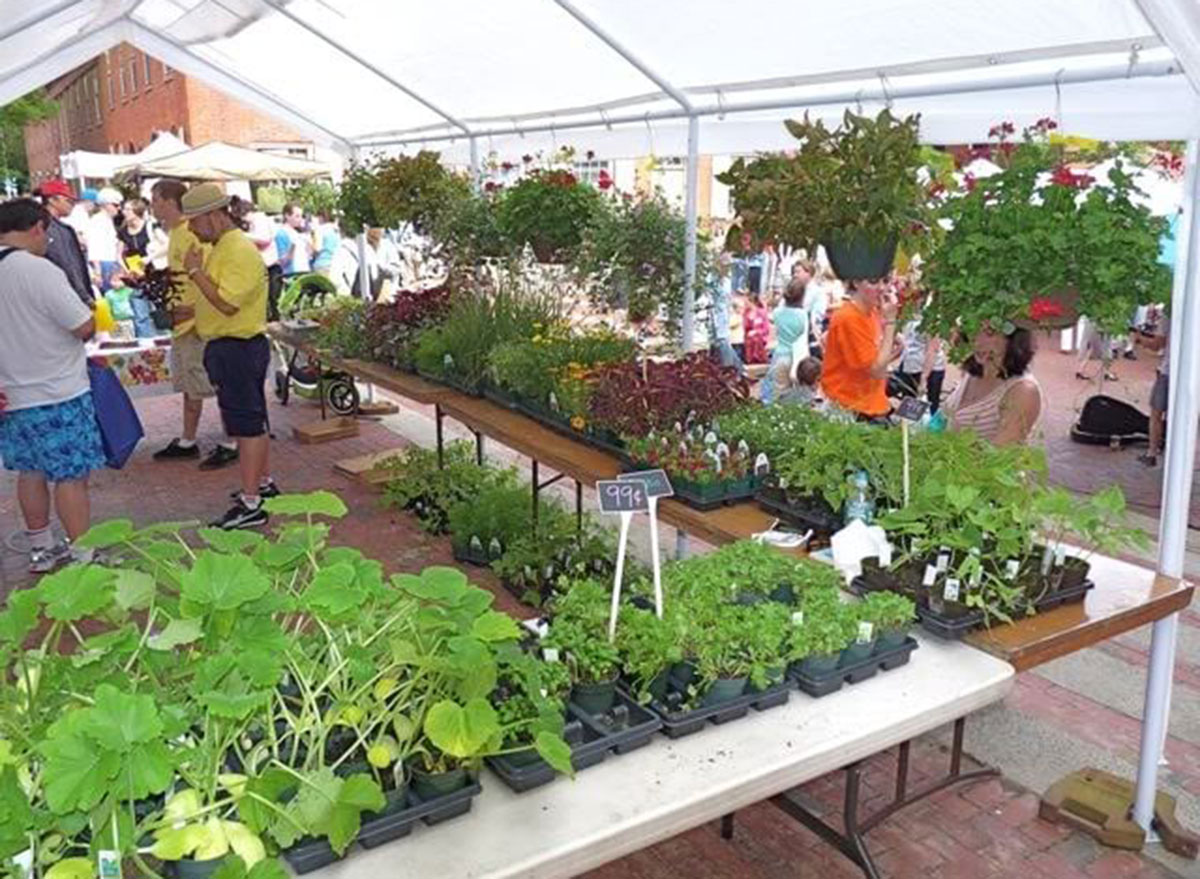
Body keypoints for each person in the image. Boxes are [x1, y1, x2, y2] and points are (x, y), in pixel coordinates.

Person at [0, 198, 104, 572]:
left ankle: (41, 549)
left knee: (30, 472)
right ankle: (82, 554)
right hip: (58, 390)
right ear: (38, 228)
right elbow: (82, 325)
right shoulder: (39, 270)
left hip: (11, 394)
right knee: (70, 476)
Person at [181, 183, 278, 529]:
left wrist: (194, 271)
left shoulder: (237, 249)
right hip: (232, 346)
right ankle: (262, 485)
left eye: (193, 221)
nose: (191, 229)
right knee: (251, 420)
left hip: (238, 345)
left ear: (212, 215)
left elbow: (227, 302)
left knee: (246, 425)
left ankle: (251, 503)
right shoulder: (225, 246)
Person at [148, 180, 239, 470]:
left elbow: (206, 277)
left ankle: (233, 440)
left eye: (155, 199)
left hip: (197, 323)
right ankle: (188, 440)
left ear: (169, 201)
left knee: (217, 381)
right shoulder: (176, 233)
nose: (151, 205)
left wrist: (193, 312)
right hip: (183, 323)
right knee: (190, 384)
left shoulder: (191, 234)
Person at [943, 326, 1043, 446]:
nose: (977, 342)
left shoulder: (1023, 391)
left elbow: (998, 457)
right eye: (972, 330)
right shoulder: (973, 373)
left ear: (1013, 338)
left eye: (989, 333)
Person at [820, 279, 899, 420]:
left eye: (885, 281)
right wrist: (891, 323)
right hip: (849, 409)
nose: (881, 288)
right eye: (874, 281)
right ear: (856, 282)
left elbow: (877, 362)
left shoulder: (872, 313)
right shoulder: (849, 318)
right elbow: (876, 370)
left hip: (868, 405)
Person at [35, 179, 93, 304]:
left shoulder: (55, 226)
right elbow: (66, 264)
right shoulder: (49, 227)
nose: (72, 205)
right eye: (68, 200)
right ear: (52, 200)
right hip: (63, 297)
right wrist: (84, 297)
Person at [760, 279, 810, 403]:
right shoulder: (802, 315)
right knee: (798, 392)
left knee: (779, 391)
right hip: (798, 356)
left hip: (780, 354)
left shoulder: (777, 312)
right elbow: (804, 336)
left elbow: (772, 329)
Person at [1136, 316, 1170, 467]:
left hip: (1168, 371)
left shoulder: (1169, 314)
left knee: (1156, 413)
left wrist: (1139, 339)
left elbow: (1157, 344)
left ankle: (1152, 453)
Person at [895, 318, 947, 413]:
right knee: (908, 405)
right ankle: (907, 424)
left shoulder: (931, 317)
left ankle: (929, 425)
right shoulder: (910, 316)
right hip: (911, 366)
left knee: (930, 404)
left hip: (931, 369)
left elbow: (932, 350)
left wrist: (924, 378)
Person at [88, 187, 123, 292]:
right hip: (104, 263)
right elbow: (94, 246)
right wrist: (97, 271)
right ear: (106, 204)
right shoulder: (97, 221)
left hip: (111, 262)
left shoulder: (107, 220)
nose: (119, 208)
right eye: (116, 205)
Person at [275, 203, 311, 276]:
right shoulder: (282, 233)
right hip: (292, 274)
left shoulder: (298, 233)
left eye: (301, 216)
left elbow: (308, 256)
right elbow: (283, 262)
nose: (300, 219)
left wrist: (308, 245)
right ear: (287, 216)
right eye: (297, 216)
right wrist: (293, 246)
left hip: (304, 271)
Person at [117, 197, 153, 262]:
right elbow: (118, 255)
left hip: (155, 267)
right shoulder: (123, 231)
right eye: (124, 209)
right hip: (135, 267)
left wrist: (149, 258)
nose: (124, 212)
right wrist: (126, 269)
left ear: (137, 210)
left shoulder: (150, 226)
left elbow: (167, 245)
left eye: (128, 210)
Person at [742, 291, 770, 364]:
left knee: (756, 339)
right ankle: (750, 360)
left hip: (761, 337)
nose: (745, 304)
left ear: (752, 302)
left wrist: (756, 332)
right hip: (749, 338)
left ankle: (758, 359)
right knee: (750, 339)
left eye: (746, 302)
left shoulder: (762, 312)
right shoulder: (746, 313)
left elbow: (766, 328)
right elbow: (745, 327)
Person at [311, 211, 341, 276]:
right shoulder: (336, 230)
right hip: (335, 264)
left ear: (320, 217)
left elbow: (317, 249)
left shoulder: (320, 229)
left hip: (322, 264)